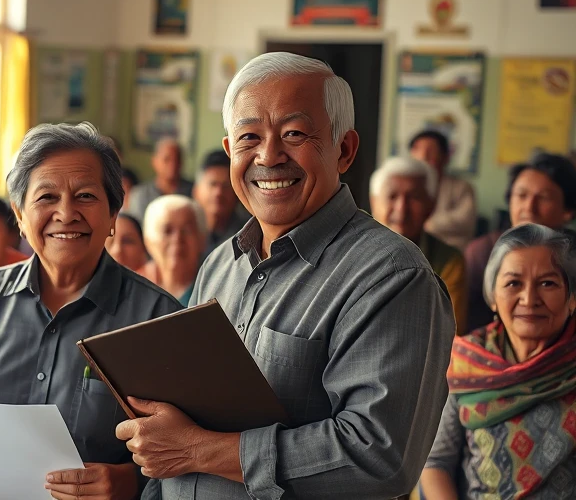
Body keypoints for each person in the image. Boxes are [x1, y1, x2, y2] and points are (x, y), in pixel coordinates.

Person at [116, 52, 455, 500]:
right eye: (249, 137)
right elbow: (176, 429)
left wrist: (201, 451)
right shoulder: (221, 262)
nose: (269, 156)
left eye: (294, 134)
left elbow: (379, 456)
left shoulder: (392, 277)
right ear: (229, 151)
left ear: (345, 149)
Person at [0, 122, 184, 500]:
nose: (66, 213)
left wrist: (130, 484)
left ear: (113, 214)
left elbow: (187, 452)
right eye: (46, 197)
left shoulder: (159, 319)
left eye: (86, 196)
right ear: (20, 217)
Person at [421, 224, 576, 498]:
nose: (529, 299)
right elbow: (435, 463)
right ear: (493, 296)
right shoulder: (465, 363)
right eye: (514, 283)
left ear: (572, 297)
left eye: (548, 283)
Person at [465, 153, 576, 333]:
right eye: (521, 195)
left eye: (544, 197)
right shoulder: (481, 252)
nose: (529, 207)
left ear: (568, 211)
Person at [370, 156, 468, 334]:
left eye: (414, 197)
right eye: (392, 196)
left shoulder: (449, 261)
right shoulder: (348, 251)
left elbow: (450, 332)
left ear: (431, 205)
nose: (402, 208)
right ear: (374, 201)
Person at [410, 130, 478, 251]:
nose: (423, 156)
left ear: (445, 156)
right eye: (418, 150)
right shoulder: (408, 186)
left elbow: (465, 221)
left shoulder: (462, 187)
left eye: (430, 151)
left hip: (452, 251)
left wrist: (425, 224)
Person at [138, 195, 207, 306]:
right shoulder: (135, 289)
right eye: (167, 231)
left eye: (186, 230)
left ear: (202, 240)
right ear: (148, 242)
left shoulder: (216, 285)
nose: (177, 239)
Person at [193, 150, 251, 256]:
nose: (218, 193)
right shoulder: (184, 231)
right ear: (196, 191)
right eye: (213, 184)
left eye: (226, 186)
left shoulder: (250, 234)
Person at [128, 138, 194, 222]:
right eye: (167, 159)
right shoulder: (140, 194)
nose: (173, 164)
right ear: (155, 161)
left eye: (177, 159)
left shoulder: (194, 191)